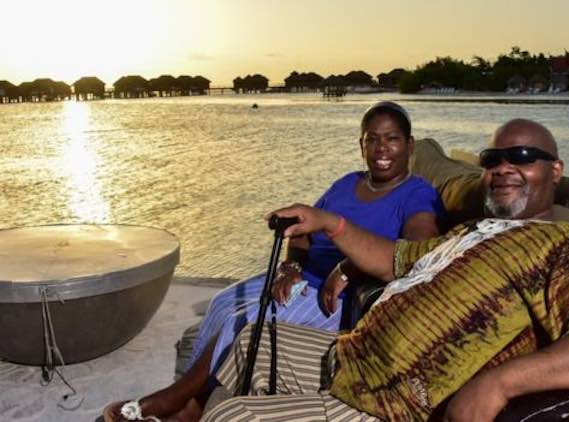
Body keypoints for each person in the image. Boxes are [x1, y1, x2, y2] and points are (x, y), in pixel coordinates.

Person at [200, 118, 569, 422]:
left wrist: (499, 384)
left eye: (521, 156)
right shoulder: (474, 232)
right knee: (249, 342)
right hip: (355, 361)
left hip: (393, 403)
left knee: (232, 416)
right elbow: (393, 258)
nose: (503, 168)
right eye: (492, 159)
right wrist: (329, 224)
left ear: (555, 170)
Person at [103, 101, 444, 422]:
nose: (381, 148)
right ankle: (193, 402)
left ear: (409, 145)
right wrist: (291, 266)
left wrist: (349, 267)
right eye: (372, 139)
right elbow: (302, 230)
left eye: (392, 139)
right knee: (224, 302)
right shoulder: (348, 183)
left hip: (337, 296)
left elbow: (418, 249)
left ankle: (172, 401)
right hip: (303, 276)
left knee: (245, 320)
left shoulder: (416, 193)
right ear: (361, 145)